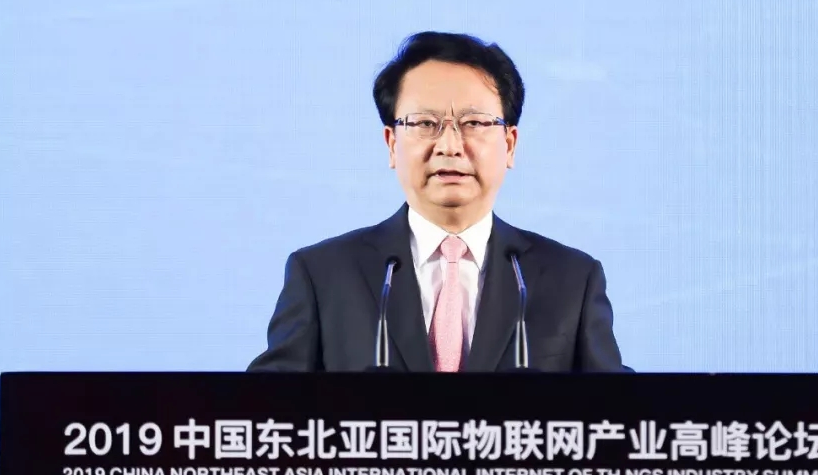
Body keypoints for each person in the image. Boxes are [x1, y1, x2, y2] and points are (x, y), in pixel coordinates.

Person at [248, 31, 630, 373]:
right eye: (424, 123)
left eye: (474, 123)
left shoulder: (572, 280)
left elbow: (623, 416)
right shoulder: (322, 276)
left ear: (510, 144)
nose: (449, 146)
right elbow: (263, 412)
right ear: (392, 144)